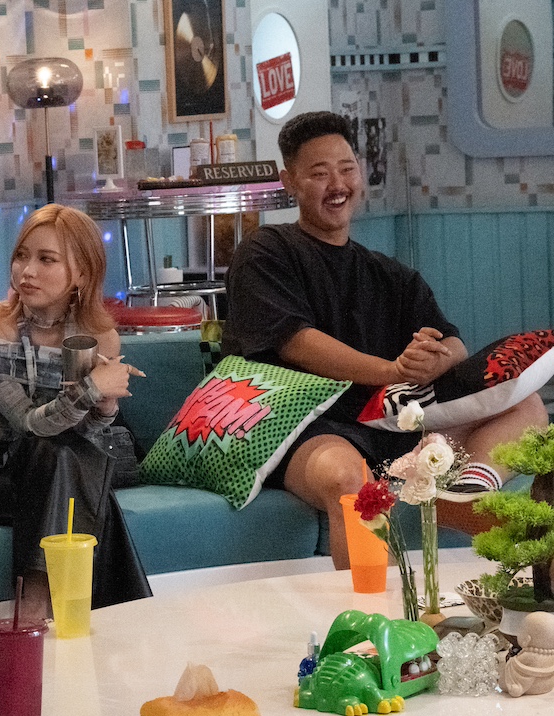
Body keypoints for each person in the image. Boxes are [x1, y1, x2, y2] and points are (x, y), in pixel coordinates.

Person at [221, 111, 548, 569]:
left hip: (390, 424)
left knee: (527, 406)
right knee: (348, 480)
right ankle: (373, 611)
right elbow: (297, 342)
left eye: (346, 169)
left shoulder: (389, 273)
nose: (337, 184)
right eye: (319, 173)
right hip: (303, 426)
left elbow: (452, 342)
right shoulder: (266, 251)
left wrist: (434, 360)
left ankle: (460, 492)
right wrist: (392, 370)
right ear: (289, 181)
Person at [0, 203, 152, 620]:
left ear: (81, 273)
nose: (26, 271)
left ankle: (42, 613)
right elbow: (30, 425)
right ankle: (107, 617)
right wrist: (92, 388)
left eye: (46, 259)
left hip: (53, 468)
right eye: (21, 255)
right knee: (76, 479)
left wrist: (104, 408)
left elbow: (85, 431)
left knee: (66, 464)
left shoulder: (99, 336)